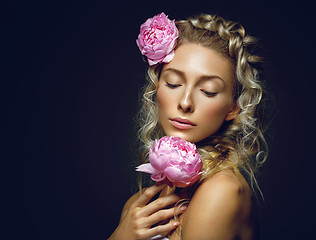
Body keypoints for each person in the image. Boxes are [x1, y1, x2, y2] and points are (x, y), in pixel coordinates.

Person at [108, 12, 267, 240]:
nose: (185, 103)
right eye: (173, 83)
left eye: (208, 91)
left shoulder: (222, 191)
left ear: (233, 107)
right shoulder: (138, 206)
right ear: (156, 87)